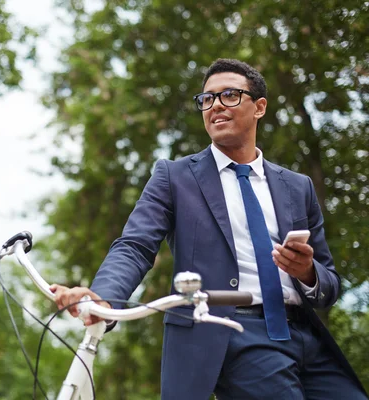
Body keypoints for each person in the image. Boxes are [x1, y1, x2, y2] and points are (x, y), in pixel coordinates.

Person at [50, 59, 367, 399]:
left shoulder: (296, 187)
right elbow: (135, 245)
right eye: (207, 98)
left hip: (307, 337)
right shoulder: (175, 178)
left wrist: (306, 271)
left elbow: (330, 285)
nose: (215, 104)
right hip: (235, 331)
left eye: (229, 95)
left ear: (259, 107)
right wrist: (104, 297)